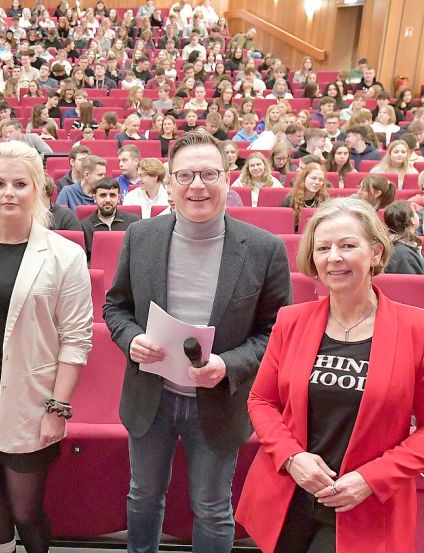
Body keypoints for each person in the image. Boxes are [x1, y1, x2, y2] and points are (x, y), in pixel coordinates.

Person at [103, 130, 291, 553]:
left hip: (219, 401)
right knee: (143, 496)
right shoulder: (141, 237)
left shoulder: (264, 249)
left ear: (228, 179)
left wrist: (229, 364)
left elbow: (277, 333)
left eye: (209, 174)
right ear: (169, 183)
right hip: (151, 397)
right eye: (185, 175)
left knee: (211, 508)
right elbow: (115, 309)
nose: (198, 186)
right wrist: (132, 339)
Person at [238, 197, 424, 553]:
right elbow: (262, 401)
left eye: (347, 245)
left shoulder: (421, 329)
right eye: (323, 248)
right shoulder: (291, 321)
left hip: (364, 502)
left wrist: (370, 479)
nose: (333, 257)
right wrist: (293, 458)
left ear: (374, 252)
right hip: (290, 496)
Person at [0, 140, 93, 553]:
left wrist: (57, 409)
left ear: (39, 190)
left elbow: (77, 339)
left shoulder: (65, 254)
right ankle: (1, 548)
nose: (8, 193)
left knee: (26, 509)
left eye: (20, 184)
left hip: (33, 396)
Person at [384, 200, 424, 302]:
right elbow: (414, 295)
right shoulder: (403, 255)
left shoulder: (409, 246)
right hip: (423, 309)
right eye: (415, 212)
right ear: (413, 220)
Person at [80, 177, 141, 257]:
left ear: (119, 198)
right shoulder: (84, 226)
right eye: (103, 195)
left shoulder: (133, 222)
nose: (108, 200)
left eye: (112, 195)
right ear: (95, 198)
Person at [282, 162, 330, 231]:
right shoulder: (290, 200)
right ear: (304, 178)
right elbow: (285, 227)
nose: (317, 182)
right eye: (313, 178)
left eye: (320, 180)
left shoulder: (325, 200)